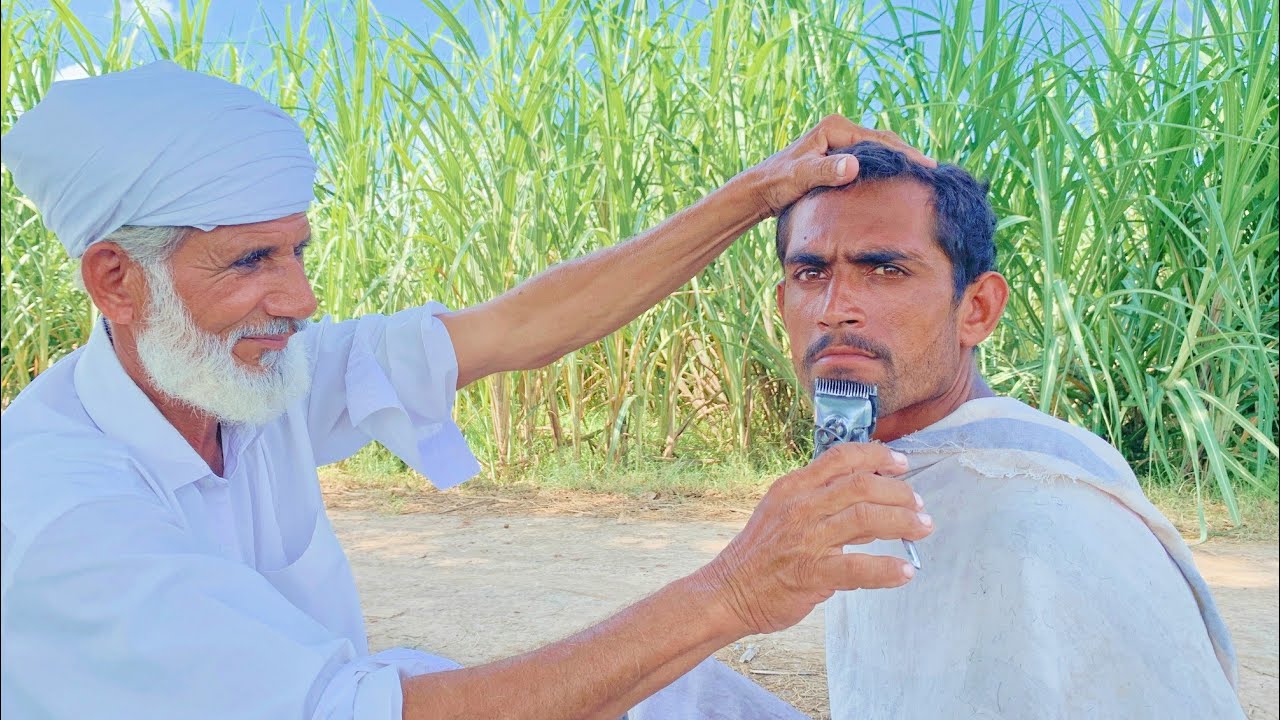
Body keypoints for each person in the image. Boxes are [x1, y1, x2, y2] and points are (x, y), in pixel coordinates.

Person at [0, 62, 935, 719]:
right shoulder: (65, 515)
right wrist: (735, 591)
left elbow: (521, 325)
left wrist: (756, 194)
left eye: (297, 251)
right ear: (117, 281)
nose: (300, 299)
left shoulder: (244, 376)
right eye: (249, 261)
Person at [772, 141, 1244, 718]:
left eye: (886, 271)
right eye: (810, 271)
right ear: (782, 303)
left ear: (976, 309)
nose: (834, 306)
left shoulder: (1042, 517)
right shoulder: (868, 472)